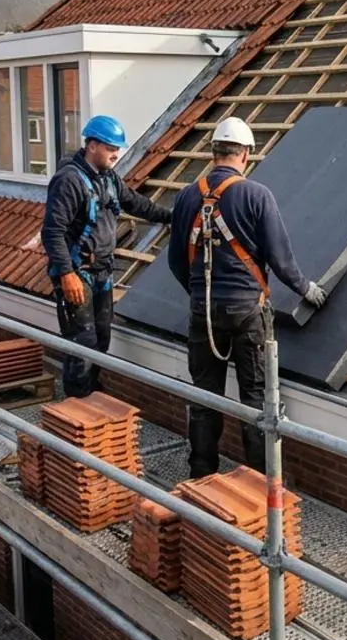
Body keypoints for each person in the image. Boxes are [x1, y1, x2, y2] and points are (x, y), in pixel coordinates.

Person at [168, 117, 326, 478]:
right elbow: (280, 258)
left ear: (214, 152)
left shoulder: (186, 196)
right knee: (255, 399)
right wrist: (307, 289)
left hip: (202, 313)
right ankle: (257, 485)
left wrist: (200, 296)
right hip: (247, 312)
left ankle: (202, 475)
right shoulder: (256, 195)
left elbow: (177, 261)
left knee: (205, 395)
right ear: (245, 154)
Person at [41, 114, 173, 398]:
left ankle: (92, 400)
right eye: (111, 147)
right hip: (77, 275)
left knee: (101, 340)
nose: (116, 154)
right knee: (82, 344)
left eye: (118, 148)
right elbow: (52, 232)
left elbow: (138, 204)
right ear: (92, 145)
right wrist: (67, 275)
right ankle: (77, 408)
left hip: (102, 272)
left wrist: (175, 216)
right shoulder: (69, 181)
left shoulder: (109, 178)